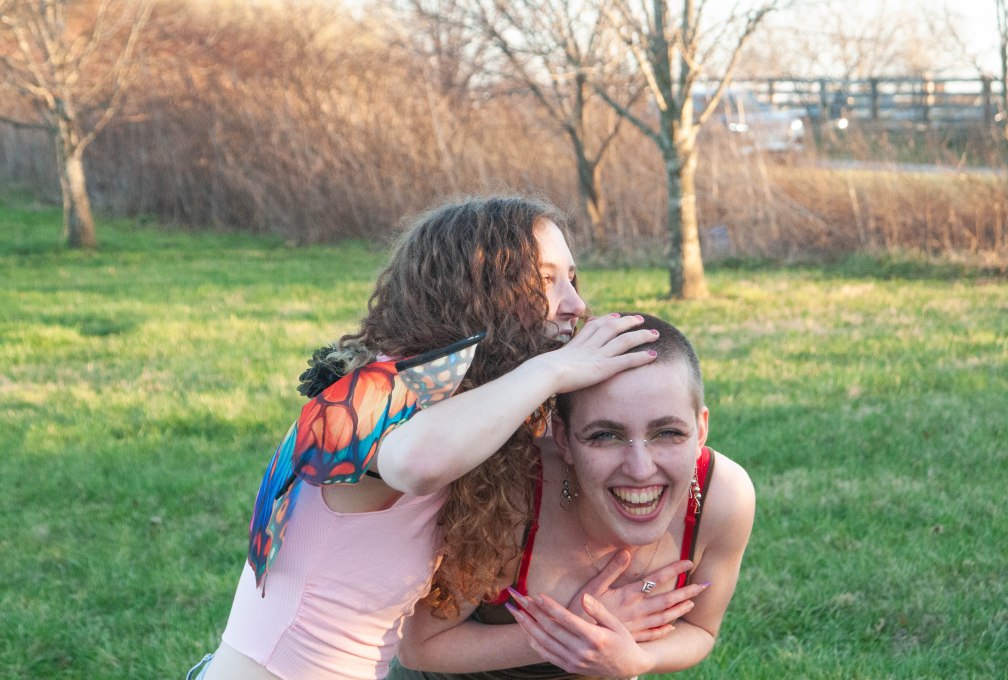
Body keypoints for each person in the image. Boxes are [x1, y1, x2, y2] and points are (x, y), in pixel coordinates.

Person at [189, 196, 659, 680]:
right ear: (478, 290)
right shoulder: (370, 395)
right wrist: (553, 368)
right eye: (544, 280)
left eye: (571, 279)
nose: (575, 305)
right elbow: (415, 463)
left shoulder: (467, 405)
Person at [389, 314, 755, 678]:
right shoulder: (513, 493)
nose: (641, 469)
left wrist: (640, 660)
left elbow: (701, 630)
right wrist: (572, 631)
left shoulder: (720, 497)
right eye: (605, 436)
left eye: (668, 432)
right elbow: (419, 647)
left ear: (701, 429)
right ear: (563, 438)